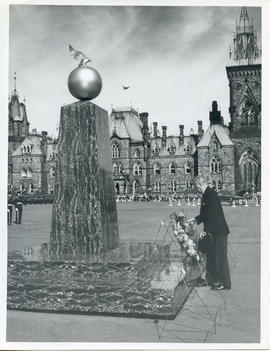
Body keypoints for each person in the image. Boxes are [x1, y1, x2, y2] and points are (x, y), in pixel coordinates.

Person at [190, 176, 231, 290]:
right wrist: (195, 220)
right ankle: (211, 279)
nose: (196, 189)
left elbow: (212, 214)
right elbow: (205, 213)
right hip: (213, 230)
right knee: (211, 256)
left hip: (218, 231)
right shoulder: (207, 194)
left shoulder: (210, 194)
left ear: (199, 184)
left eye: (196, 186)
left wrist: (206, 230)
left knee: (220, 257)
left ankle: (224, 283)